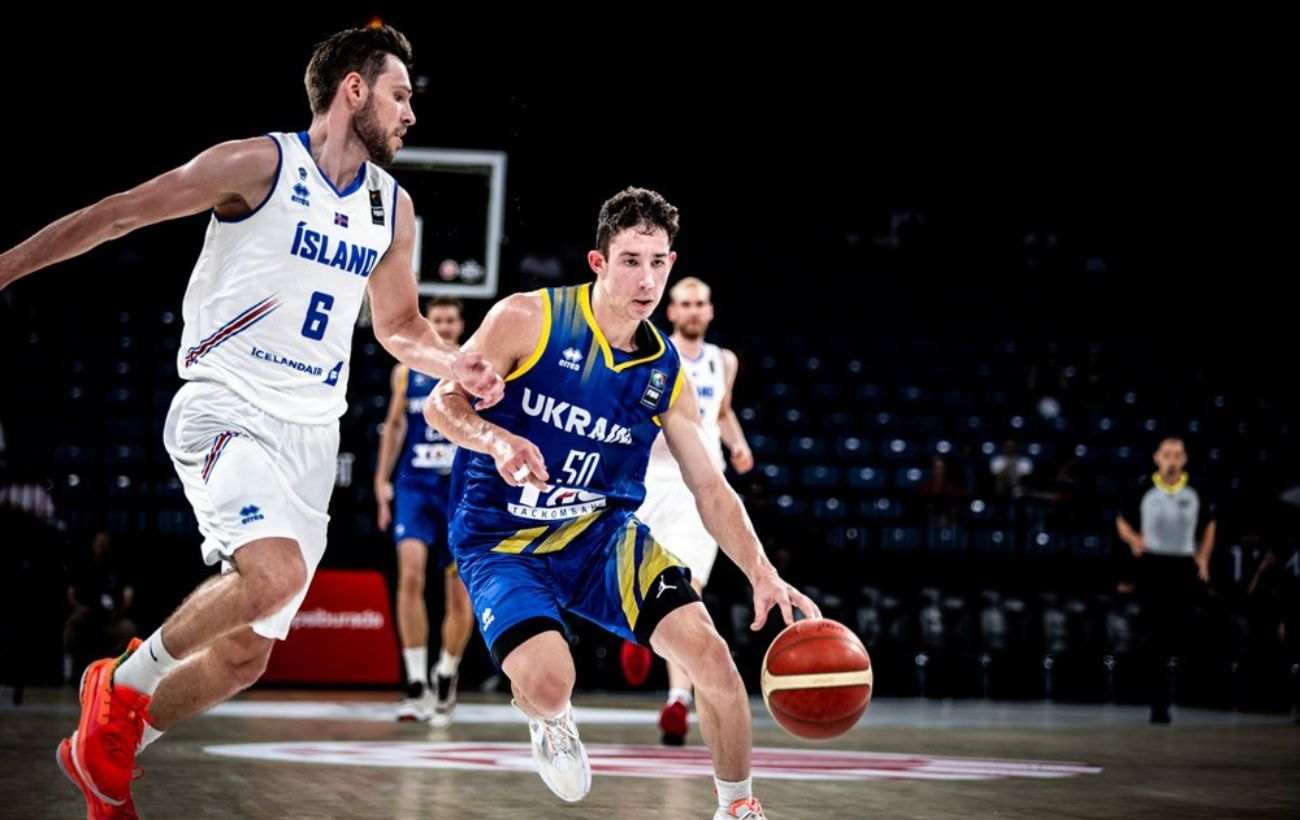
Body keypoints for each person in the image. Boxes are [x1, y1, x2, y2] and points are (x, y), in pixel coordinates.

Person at [0, 24, 503, 817]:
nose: (411, 113)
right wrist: (5, 267)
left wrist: (456, 362)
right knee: (273, 574)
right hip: (226, 404)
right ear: (354, 89)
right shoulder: (258, 165)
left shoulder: (392, 206)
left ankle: (107, 751)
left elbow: (401, 326)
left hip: (313, 438)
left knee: (244, 657)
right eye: (400, 95)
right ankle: (119, 685)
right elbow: (120, 213)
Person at [425, 187, 818, 820]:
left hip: (598, 536)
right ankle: (549, 716)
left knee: (712, 657)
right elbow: (441, 403)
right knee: (550, 682)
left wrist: (761, 571)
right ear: (599, 262)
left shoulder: (664, 372)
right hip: (502, 539)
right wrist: (495, 440)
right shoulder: (529, 318)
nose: (647, 279)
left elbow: (709, 485)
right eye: (631, 261)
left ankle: (738, 808)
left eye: (658, 262)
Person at [635, 275, 754, 745]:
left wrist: (738, 445)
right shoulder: (653, 353)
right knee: (641, 585)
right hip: (651, 482)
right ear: (671, 311)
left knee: (684, 588)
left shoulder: (724, 361)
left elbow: (722, 412)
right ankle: (637, 640)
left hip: (698, 488)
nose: (692, 310)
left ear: (709, 310)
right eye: (684, 303)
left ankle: (677, 698)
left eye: (699, 303)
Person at [374, 296, 475, 724]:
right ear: (428, 325)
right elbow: (395, 425)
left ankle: (447, 671)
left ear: (461, 325)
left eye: (451, 320)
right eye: (438, 320)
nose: (445, 327)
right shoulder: (406, 370)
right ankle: (416, 681)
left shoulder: (477, 367)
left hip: (459, 489)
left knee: (459, 593)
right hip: (415, 485)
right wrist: (381, 481)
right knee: (410, 576)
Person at [1115, 437, 1216, 723]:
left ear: (1184, 460)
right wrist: (1133, 539)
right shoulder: (1143, 488)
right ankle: (1158, 703)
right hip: (1153, 566)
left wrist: (1203, 557)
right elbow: (1121, 520)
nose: (1172, 459)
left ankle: (1193, 692)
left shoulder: (1196, 490)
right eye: (1167, 454)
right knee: (1155, 635)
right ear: (1157, 458)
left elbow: (1209, 524)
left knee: (1183, 630)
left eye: (1177, 455)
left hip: (1183, 564)